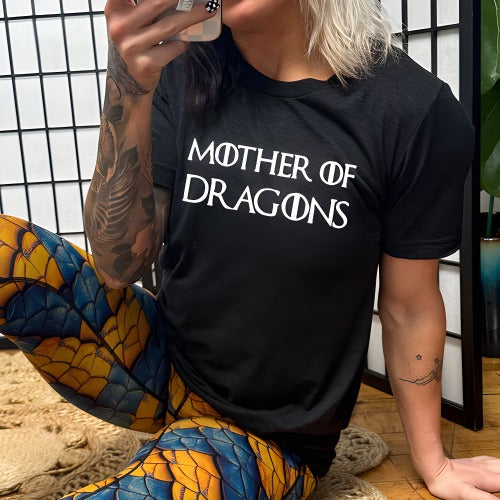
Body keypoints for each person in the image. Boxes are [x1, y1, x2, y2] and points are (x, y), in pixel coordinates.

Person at [1, 0, 499, 498]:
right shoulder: (182, 66)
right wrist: (129, 86)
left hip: (271, 438)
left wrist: (434, 464)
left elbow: (410, 306)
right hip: (160, 368)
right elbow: (117, 266)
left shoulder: (412, 110)